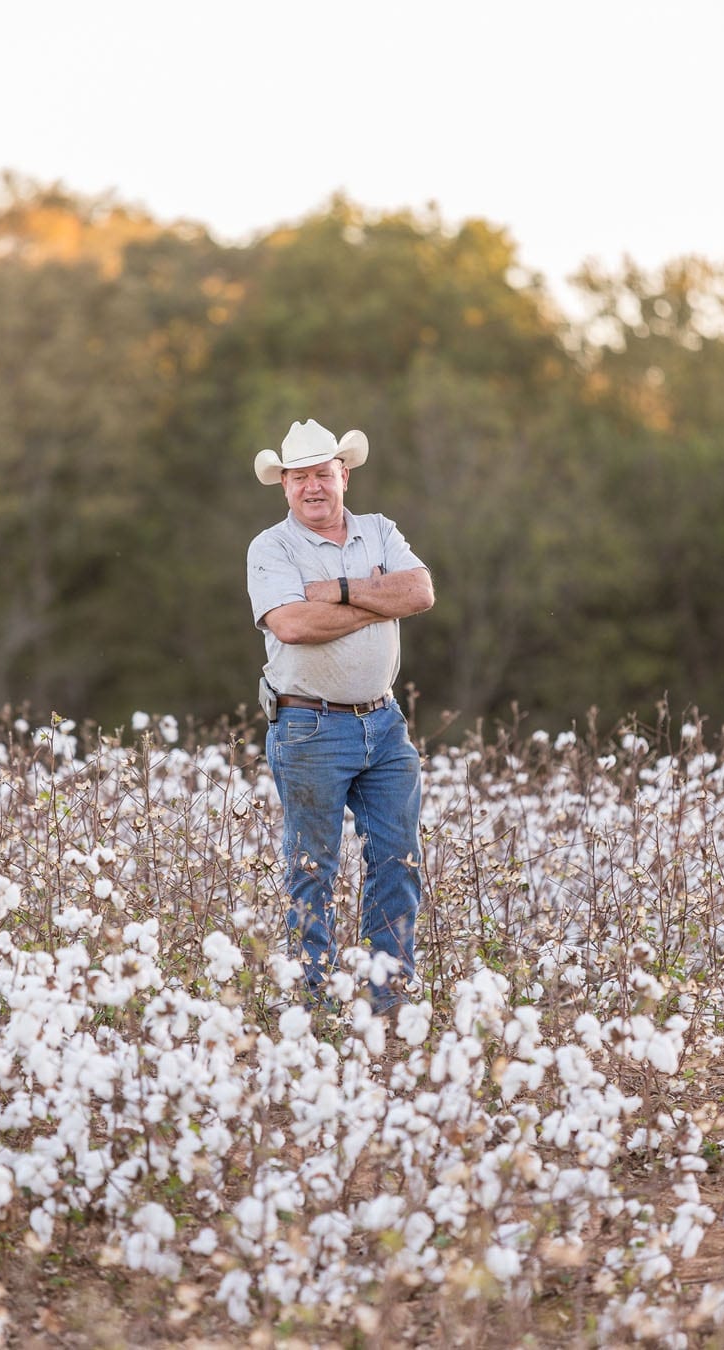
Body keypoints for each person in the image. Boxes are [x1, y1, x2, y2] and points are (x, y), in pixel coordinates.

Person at [247, 418, 434, 1014]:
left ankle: (389, 998)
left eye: (322, 475)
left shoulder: (380, 530)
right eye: (298, 477)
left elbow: (421, 593)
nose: (312, 488)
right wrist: (376, 598)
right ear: (284, 485)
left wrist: (339, 590)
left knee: (398, 857)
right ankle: (310, 1001)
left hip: (384, 721)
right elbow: (293, 624)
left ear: (343, 475)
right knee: (312, 865)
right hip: (308, 725)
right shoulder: (270, 547)